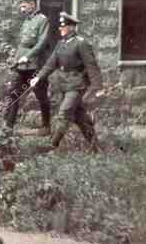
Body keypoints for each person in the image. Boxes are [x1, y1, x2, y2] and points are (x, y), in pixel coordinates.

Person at [30, 12, 104, 151]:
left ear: (71, 28)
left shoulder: (81, 43)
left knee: (64, 113)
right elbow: (50, 63)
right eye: (60, 26)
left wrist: (97, 87)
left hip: (77, 85)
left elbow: (91, 65)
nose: (60, 29)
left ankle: (51, 146)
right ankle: (95, 147)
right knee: (79, 117)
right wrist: (38, 77)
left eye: (63, 26)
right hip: (63, 85)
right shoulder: (60, 44)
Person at [4, 0, 52, 135]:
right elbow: (22, 44)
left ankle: (46, 125)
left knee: (41, 95)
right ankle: (8, 126)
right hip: (22, 66)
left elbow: (42, 43)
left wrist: (28, 56)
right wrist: (16, 60)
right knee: (13, 93)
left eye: (24, 6)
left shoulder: (43, 21)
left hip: (36, 66)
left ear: (32, 4)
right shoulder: (26, 22)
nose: (22, 9)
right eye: (21, 6)